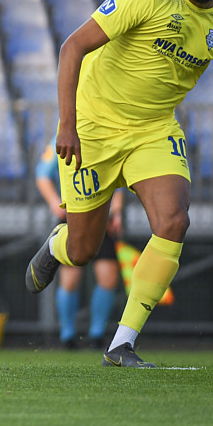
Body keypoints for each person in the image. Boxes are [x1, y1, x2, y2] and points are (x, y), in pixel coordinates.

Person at [24, 0, 213, 368]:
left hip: (153, 129)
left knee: (174, 221)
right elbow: (72, 47)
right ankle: (57, 246)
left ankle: (121, 344)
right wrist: (66, 124)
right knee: (83, 251)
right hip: (93, 127)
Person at [35, 137, 124, 350]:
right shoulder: (60, 138)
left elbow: (118, 180)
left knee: (108, 277)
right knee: (70, 278)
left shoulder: (107, 134)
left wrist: (116, 212)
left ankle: (97, 334)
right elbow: (42, 175)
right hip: (73, 214)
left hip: (103, 216)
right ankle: (67, 335)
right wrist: (56, 204)